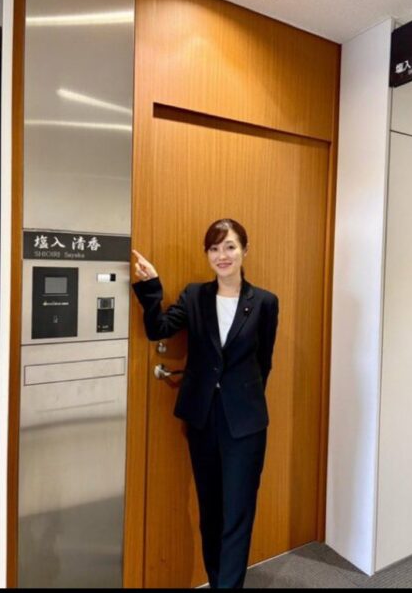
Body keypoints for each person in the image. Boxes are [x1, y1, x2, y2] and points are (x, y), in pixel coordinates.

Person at [132, 218, 279, 589]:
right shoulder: (195, 296)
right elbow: (158, 329)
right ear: (207, 254)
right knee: (210, 511)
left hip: (245, 424)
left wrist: (242, 397)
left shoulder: (264, 302)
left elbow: (264, 361)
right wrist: (151, 286)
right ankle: (218, 583)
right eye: (214, 248)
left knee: (238, 513)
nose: (222, 255)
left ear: (244, 250)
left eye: (229, 246)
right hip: (203, 419)